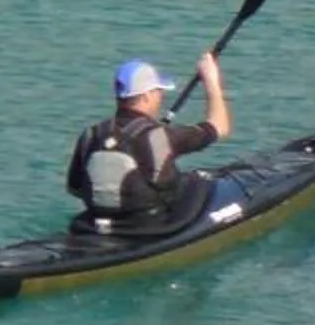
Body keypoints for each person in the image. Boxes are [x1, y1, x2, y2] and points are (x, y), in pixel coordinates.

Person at [67, 53, 232, 229]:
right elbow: (219, 126)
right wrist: (211, 81)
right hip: (147, 227)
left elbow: (75, 188)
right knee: (196, 182)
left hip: (96, 222)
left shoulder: (91, 134)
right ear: (146, 96)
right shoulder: (161, 136)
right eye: (158, 91)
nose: (161, 96)